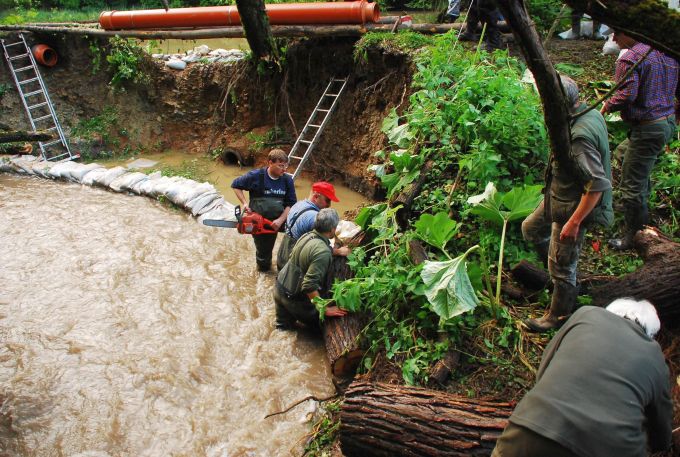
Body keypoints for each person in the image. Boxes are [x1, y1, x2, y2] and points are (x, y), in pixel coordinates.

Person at [492, 298, 672, 457]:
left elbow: (545, 367)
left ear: (611, 311)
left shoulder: (586, 314)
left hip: (532, 428)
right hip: (611, 448)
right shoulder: (654, 355)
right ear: (649, 333)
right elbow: (660, 426)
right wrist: (661, 445)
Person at [523, 75, 613, 333]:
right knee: (530, 229)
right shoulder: (586, 112)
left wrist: (574, 222)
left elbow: (596, 185)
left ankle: (558, 315)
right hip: (559, 196)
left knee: (562, 265)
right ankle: (558, 276)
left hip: (574, 206)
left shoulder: (578, 138)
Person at [601, 30, 679, 250]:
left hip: (648, 127)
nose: (614, 39)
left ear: (629, 32)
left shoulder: (630, 58)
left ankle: (635, 234)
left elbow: (627, 95)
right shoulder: (667, 54)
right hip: (665, 122)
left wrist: (606, 106)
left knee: (632, 186)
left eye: (616, 33)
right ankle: (637, 203)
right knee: (623, 153)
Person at [273, 208, 347, 330]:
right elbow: (308, 285)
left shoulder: (307, 236)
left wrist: (337, 251)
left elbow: (311, 252)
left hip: (279, 289)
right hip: (294, 300)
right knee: (319, 330)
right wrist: (324, 308)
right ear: (332, 229)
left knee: (283, 330)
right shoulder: (322, 252)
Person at [231, 149, 297, 271]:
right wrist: (245, 203)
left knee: (294, 242)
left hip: (282, 219)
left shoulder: (287, 180)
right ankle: (263, 273)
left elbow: (291, 203)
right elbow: (235, 185)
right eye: (281, 165)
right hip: (261, 223)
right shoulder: (256, 176)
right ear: (270, 163)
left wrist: (280, 220)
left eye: (286, 165)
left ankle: (286, 269)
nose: (284, 169)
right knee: (264, 254)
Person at [275, 181, 349, 271]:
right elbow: (320, 249)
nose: (329, 205)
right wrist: (339, 251)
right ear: (316, 197)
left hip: (282, 254)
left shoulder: (299, 204)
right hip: (293, 261)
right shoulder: (314, 217)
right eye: (327, 200)